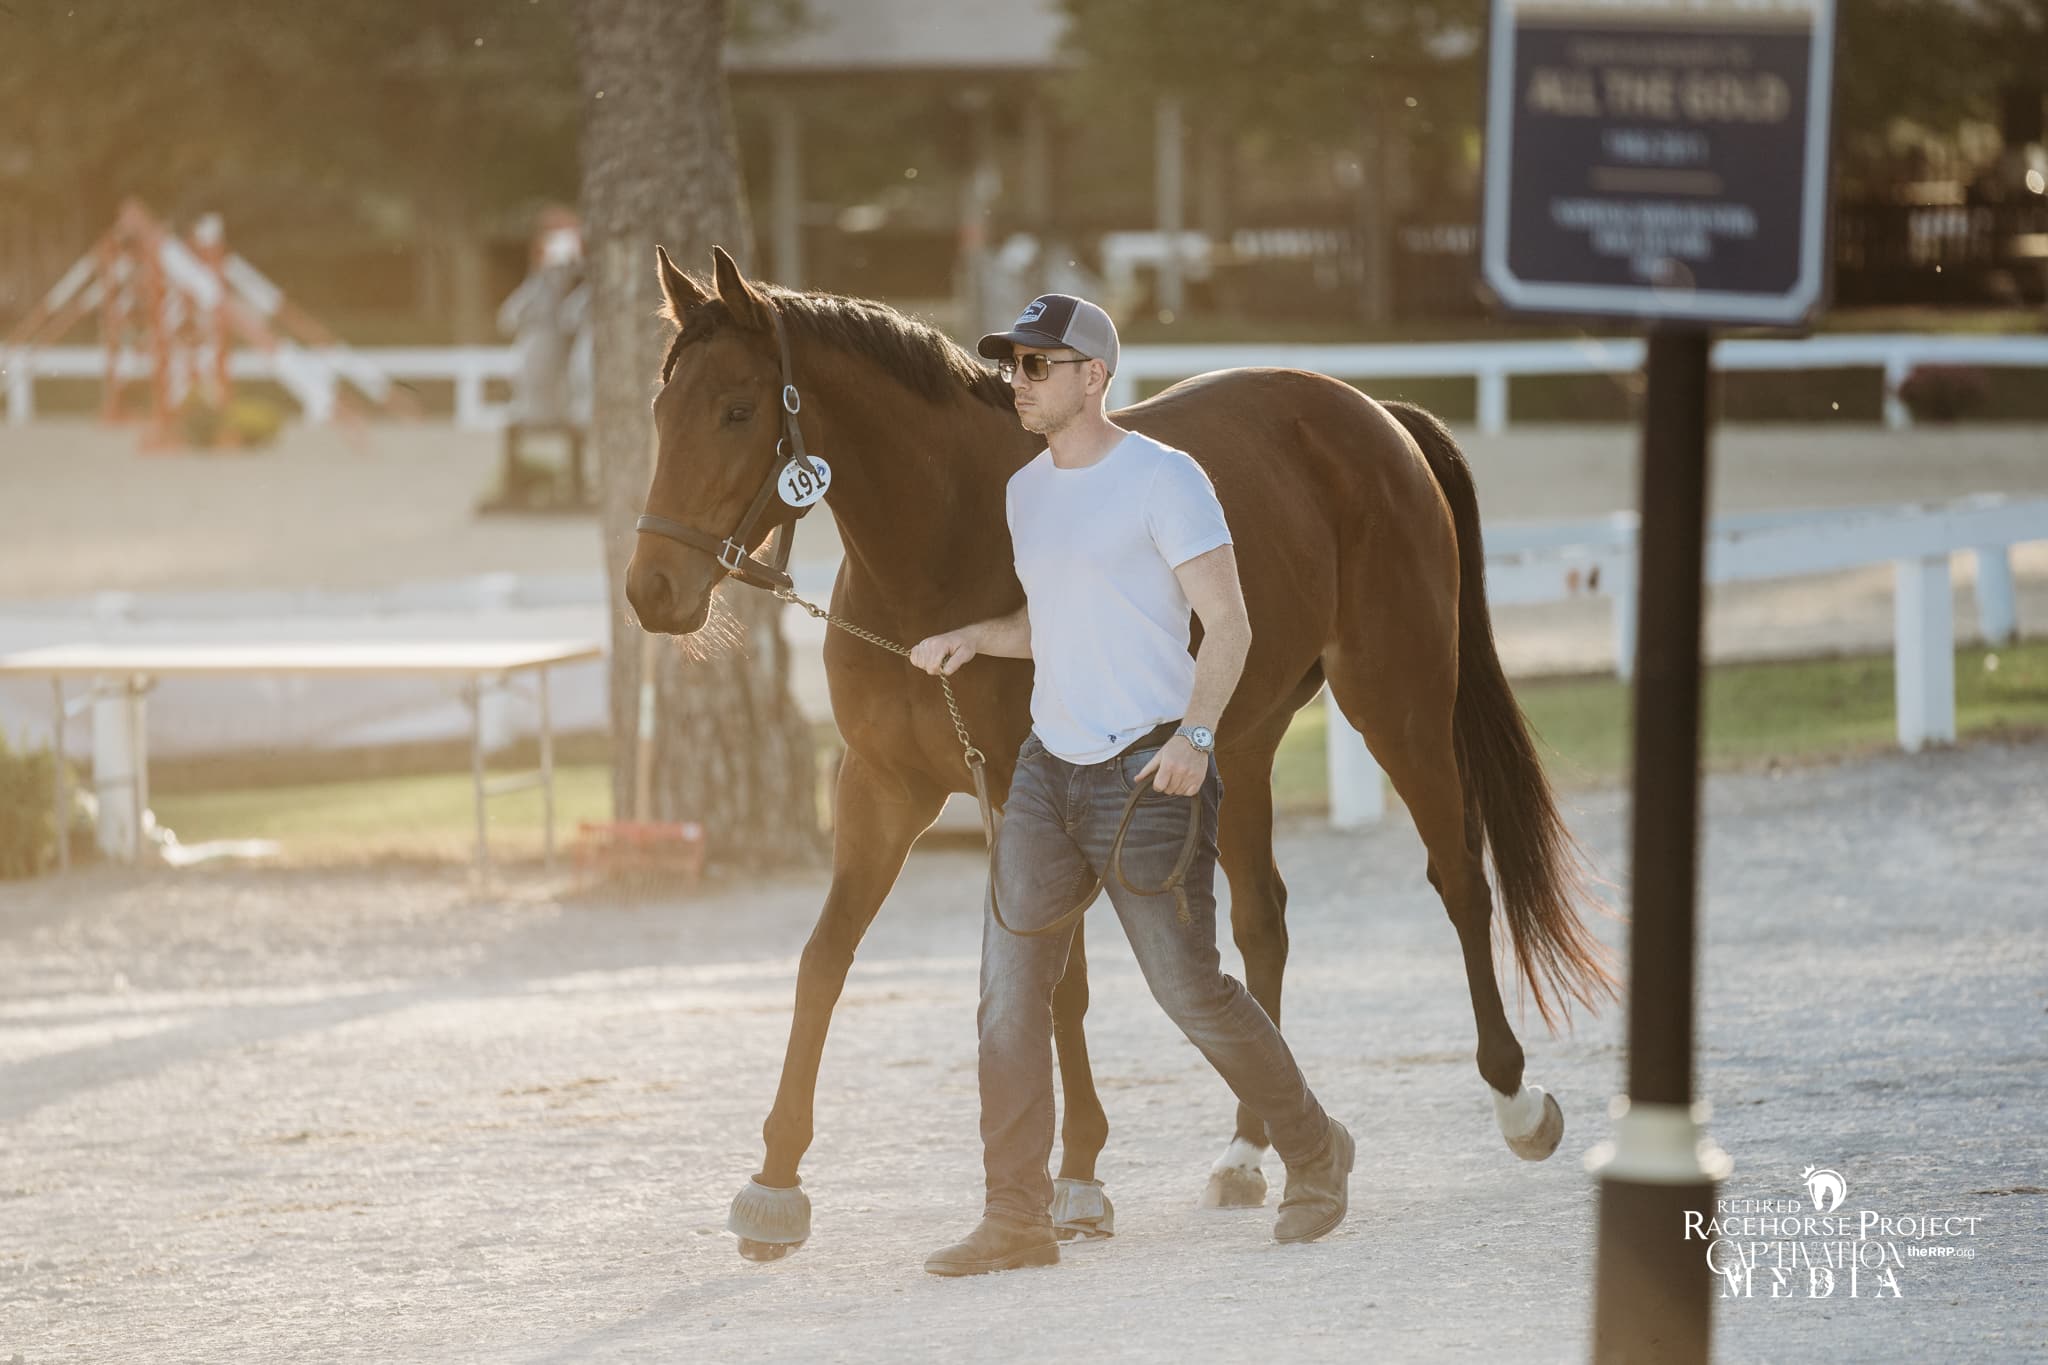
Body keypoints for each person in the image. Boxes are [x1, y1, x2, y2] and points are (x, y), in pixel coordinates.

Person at [909, 294, 1352, 1277]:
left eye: (1038, 365)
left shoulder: (1166, 478)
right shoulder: (1026, 492)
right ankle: (1016, 1216)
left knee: (1189, 992)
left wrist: (1196, 734)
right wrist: (974, 637)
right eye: (1013, 364)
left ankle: (1316, 1149)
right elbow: (1055, 621)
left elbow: (1228, 622)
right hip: (1045, 775)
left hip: (1147, 772)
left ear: (1093, 377)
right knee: (1005, 999)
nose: (1017, 381)